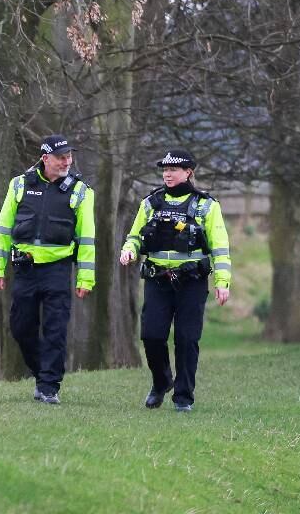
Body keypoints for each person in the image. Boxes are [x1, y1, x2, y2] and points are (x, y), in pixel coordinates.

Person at [119, 150, 232, 413]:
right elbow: (135, 236)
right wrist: (129, 250)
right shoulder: (150, 203)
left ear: (188, 172)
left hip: (191, 282)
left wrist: (222, 281)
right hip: (158, 280)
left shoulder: (206, 206)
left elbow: (220, 247)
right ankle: (161, 382)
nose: (168, 174)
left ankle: (183, 397)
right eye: (165, 169)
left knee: (186, 338)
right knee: (151, 335)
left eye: (174, 169)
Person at [0, 134, 96, 405]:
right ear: (45, 158)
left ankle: (49, 385)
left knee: (55, 329)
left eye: (69, 156)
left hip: (58, 270)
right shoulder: (19, 185)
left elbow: (86, 239)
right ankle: (41, 373)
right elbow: (2, 231)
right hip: (24, 268)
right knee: (20, 327)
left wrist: (86, 277)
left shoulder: (81, 191)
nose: (67, 162)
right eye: (61, 157)